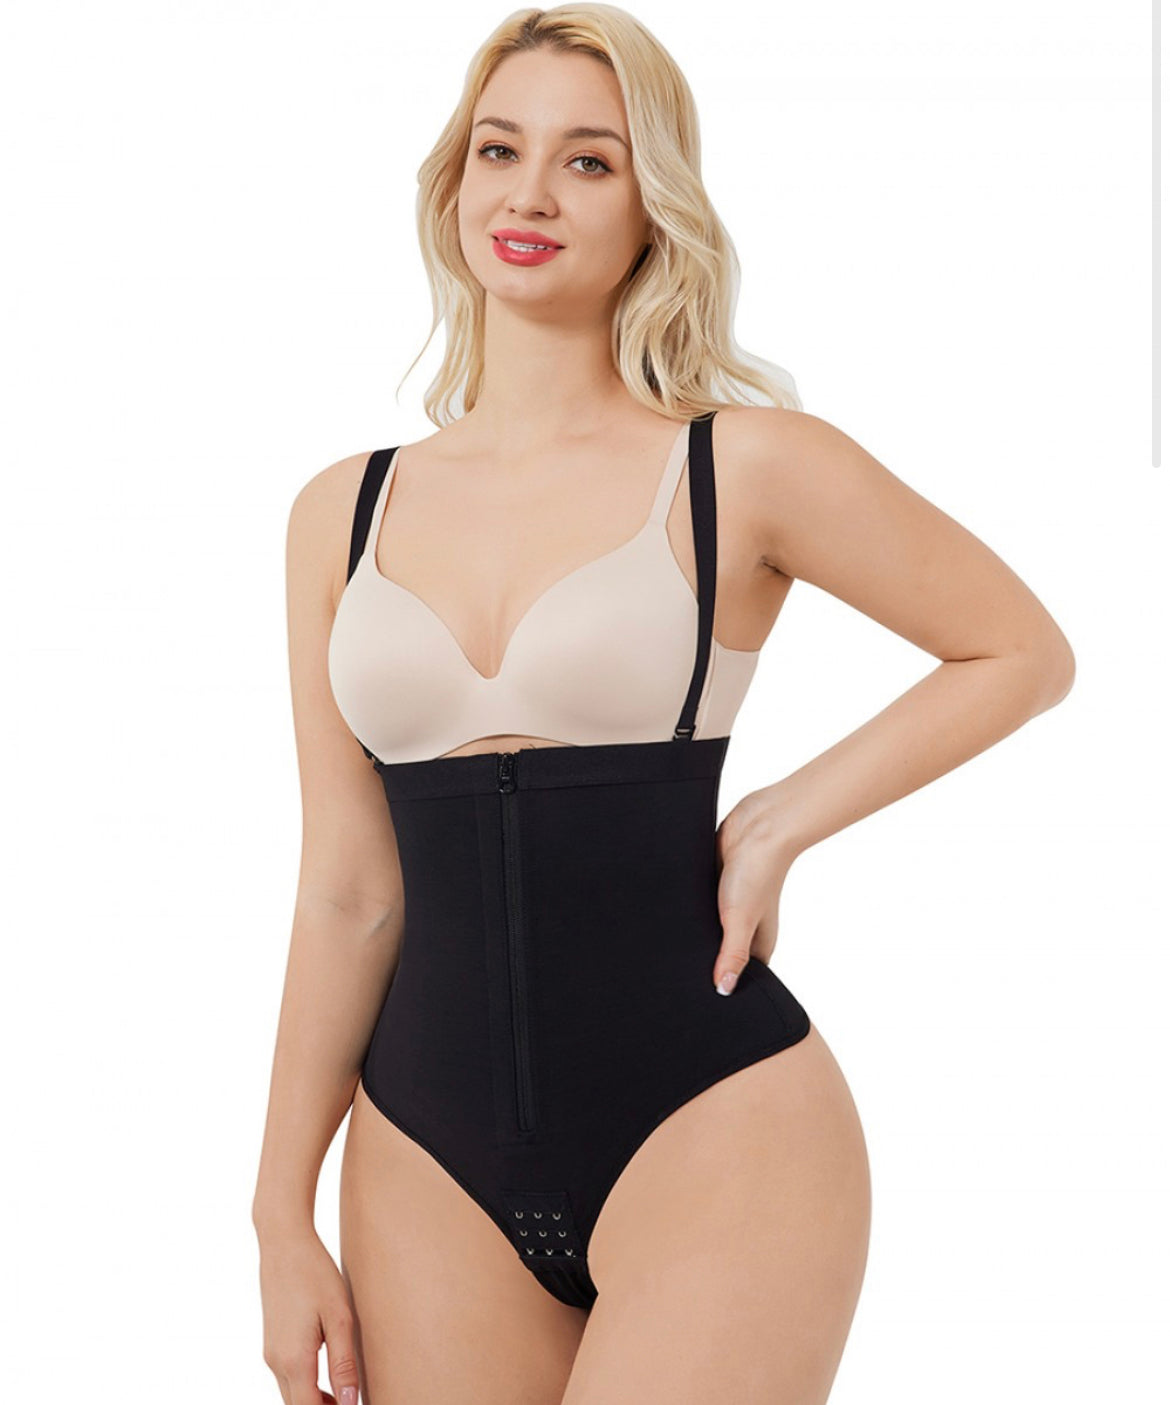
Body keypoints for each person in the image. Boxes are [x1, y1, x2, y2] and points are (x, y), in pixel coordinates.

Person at [251, 6, 1076, 1403]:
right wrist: (280, 1211)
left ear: (655, 207)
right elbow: (348, 887)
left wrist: (778, 822)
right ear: (453, 180)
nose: (529, 193)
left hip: (712, 1123)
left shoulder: (744, 466)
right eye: (499, 149)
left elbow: (1017, 650)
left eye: (589, 160)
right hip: (421, 1152)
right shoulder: (341, 511)